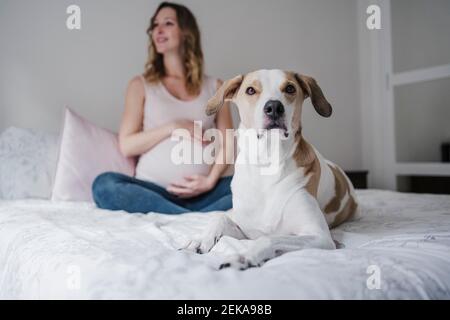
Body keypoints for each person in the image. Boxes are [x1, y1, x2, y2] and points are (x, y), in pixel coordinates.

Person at [92, 2, 234, 214]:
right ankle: (188, 218)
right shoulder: (141, 85)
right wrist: (174, 126)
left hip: (205, 193)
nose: (158, 30)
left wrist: (209, 181)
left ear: (187, 32)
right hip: (153, 191)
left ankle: (182, 215)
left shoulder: (216, 87)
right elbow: (127, 145)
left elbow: (228, 144)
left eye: (168, 23)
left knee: (252, 181)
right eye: (155, 25)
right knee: (104, 185)